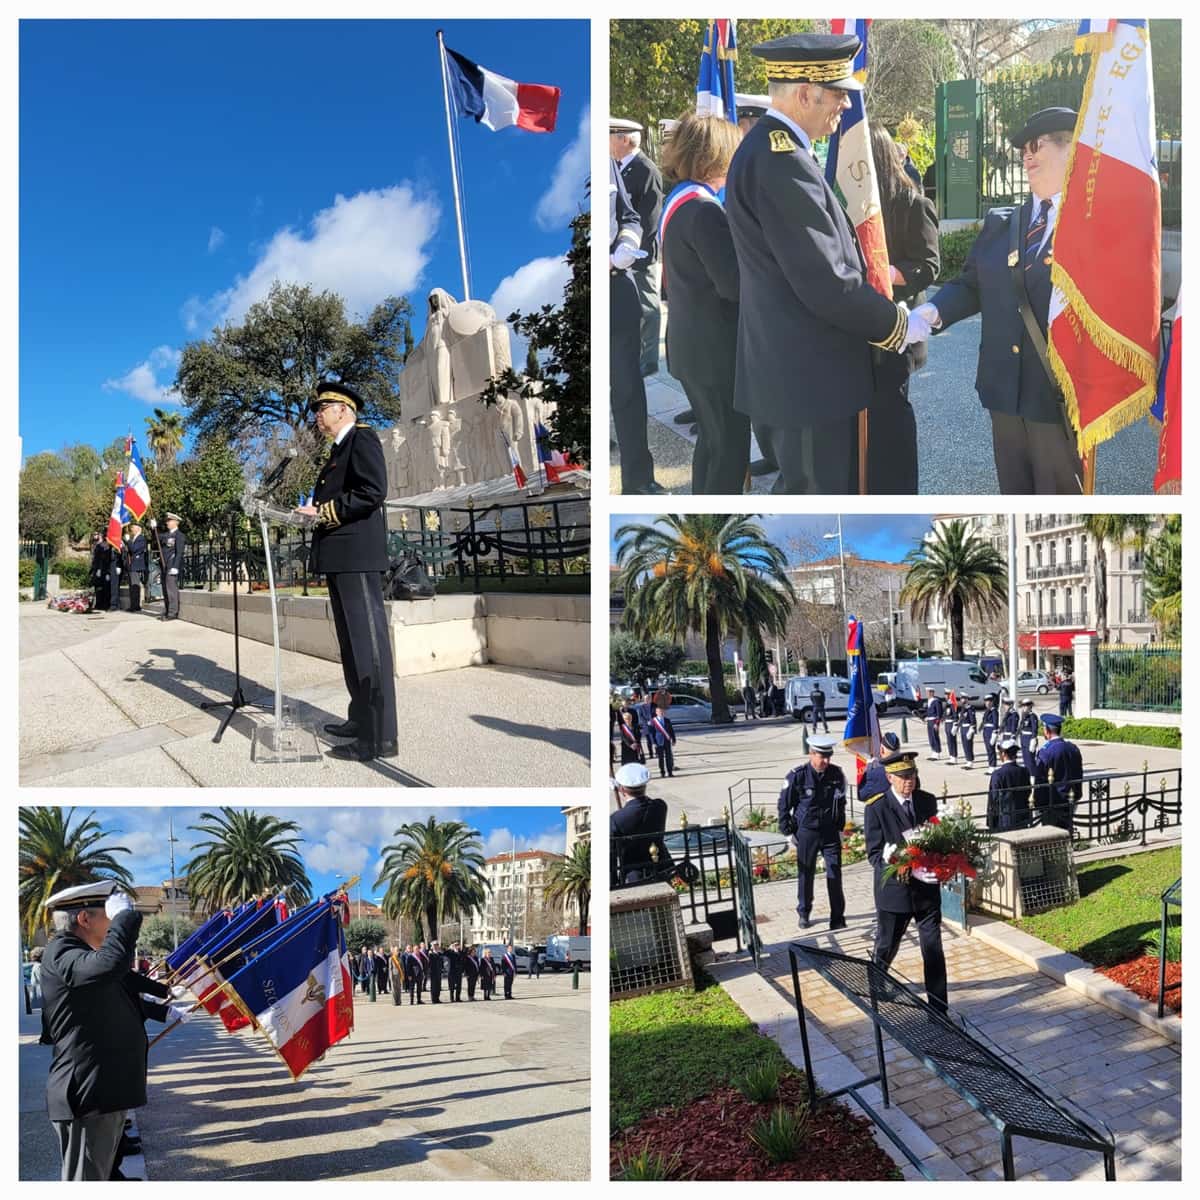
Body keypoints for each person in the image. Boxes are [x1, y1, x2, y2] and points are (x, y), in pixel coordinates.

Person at [723, 33, 929, 494]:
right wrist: (897, 323)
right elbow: (826, 280)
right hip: (809, 379)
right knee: (818, 491)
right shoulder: (782, 161)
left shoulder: (776, 152)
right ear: (803, 94)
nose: (844, 106)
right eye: (837, 94)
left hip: (796, 372)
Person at [916, 108, 1085, 494]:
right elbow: (972, 285)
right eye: (1023, 149)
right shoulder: (1003, 223)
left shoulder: (1089, 224)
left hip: (1056, 397)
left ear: (1070, 150)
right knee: (1015, 491)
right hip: (1004, 393)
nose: (1026, 156)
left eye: (1037, 146)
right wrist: (932, 311)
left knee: (1062, 497)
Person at [297, 381, 398, 761]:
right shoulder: (339, 448)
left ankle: (379, 737)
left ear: (343, 409)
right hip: (341, 557)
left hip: (357, 556)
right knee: (351, 645)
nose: (317, 415)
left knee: (368, 647)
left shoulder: (362, 439)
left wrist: (322, 512)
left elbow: (373, 491)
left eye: (323, 408)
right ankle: (360, 718)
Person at [39, 880, 159, 1180]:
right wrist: (126, 919)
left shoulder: (79, 954)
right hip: (88, 1095)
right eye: (108, 913)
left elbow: (119, 978)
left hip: (102, 1093)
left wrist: (164, 1001)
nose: (114, 918)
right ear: (84, 918)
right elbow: (110, 964)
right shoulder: (62, 952)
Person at [658, 112, 749, 494]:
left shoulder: (678, 202)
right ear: (715, 156)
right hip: (715, 352)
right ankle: (715, 533)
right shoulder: (705, 210)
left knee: (712, 444)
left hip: (690, 346)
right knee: (730, 451)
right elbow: (734, 285)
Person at [867, 124, 940, 493]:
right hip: (860, 326)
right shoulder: (850, 204)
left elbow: (928, 265)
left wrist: (882, 273)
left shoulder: (913, 203)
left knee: (891, 417)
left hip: (900, 326)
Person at [863, 751, 949, 1012]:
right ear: (890, 777)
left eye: (911, 775)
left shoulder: (927, 801)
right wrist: (895, 862)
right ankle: (877, 980)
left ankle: (938, 1007)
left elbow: (935, 839)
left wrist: (940, 864)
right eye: (902, 777)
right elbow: (874, 854)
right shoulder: (876, 807)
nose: (908, 781)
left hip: (926, 892)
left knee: (933, 949)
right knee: (888, 945)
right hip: (895, 893)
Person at [610, 156, 662, 495]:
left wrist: (626, 243)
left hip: (617, 286)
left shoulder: (607, 163)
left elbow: (628, 214)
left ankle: (638, 480)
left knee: (629, 391)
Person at [611, 118, 665, 378]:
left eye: (611, 135)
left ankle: (650, 358)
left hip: (639, 253)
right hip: (623, 254)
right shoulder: (621, 168)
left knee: (649, 307)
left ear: (624, 138)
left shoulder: (645, 169)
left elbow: (650, 217)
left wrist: (633, 252)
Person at [777, 735, 847, 931]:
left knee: (834, 873)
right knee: (806, 874)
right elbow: (784, 805)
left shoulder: (836, 774)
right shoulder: (797, 775)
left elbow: (841, 803)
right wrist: (788, 832)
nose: (825, 761)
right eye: (821, 756)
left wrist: (840, 827)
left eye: (828, 757)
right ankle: (804, 912)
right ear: (811, 754)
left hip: (830, 831)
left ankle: (837, 917)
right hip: (807, 832)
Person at [610, 762, 669, 884]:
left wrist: (613, 882)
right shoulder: (660, 806)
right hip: (662, 869)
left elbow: (611, 855)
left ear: (621, 789)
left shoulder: (616, 819)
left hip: (633, 875)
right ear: (645, 785)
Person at [1034, 712, 1083, 831]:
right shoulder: (1073, 748)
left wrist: (1037, 803)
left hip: (1052, 801)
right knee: (1067, 830)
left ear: (1047, 731)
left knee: (1051, 835)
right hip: (1071, 797)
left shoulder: (1046, 752)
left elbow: (1040, 779)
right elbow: (1079, 773)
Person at [987, 737, 1032, 831]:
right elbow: (1028, 791)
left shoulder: (998, 774)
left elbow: (994, 798)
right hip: (1022, 816)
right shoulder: (1024, 771)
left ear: (1003, 754)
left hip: (1005, 818)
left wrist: (991, 821)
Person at [161, 513, 185, 620]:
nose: (167, 522)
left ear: (176, 522)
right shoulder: (166, 535)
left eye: (169, 520)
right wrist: (153, 528)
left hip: (172, 564)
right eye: (167, 520)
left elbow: (179, 552)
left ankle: (172, 613)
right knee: (165, 589)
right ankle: (167, 610)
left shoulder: (179, 535)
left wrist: (176, 566)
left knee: (171, 589)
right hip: (164, 564)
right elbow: (155, 538)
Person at [124, 526, 148, 613]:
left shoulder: (141, 538)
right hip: (131, 565)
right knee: (131, 586)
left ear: (138, 529)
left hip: (136, 565)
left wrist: (128, 541)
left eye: (133, 528)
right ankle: (133, 605)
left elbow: (134, 549)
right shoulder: (134, 538)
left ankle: (136, 606)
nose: (131, 529)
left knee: (135, 586)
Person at [649, 704, 677, 778]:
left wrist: (673, 739)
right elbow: (652, 733)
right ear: (656, 712)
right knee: (661, 758)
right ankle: (662, 772)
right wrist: (654, 742)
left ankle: (670, 772)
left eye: (662, 711)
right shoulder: (653, 721)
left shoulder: (667, 720)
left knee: (669, 757)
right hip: (658, 741)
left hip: (667, 741)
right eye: (659, 711)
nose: (661, 712)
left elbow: (671, 731)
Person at [1018, 699, 1040, 777]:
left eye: (1026, 705)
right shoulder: (1024, 715)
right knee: (1025, 758)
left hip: (1029, 739)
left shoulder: (1032, 716)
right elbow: (1021, 727)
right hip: (1024, 739)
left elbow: (1034, 728)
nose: (1024, 707)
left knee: (1030, 759)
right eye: (1023, 705)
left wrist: (1034, 739)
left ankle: (1033, 775)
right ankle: (1027, 774)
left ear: (1030, 706)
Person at [90, 533, 111, 612]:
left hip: (104, 569)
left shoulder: (105, 546)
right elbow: (96, 559)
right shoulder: (99, 545)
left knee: (105, 588)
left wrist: (107, 571)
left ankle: (104, 604)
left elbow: (104, 559)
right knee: (98, 588)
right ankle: (99, 604)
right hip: (98, 569)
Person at [981, 693, 1000, 774]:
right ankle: (990, 765)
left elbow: (995, 722)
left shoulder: (994, 711)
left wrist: (995, 733)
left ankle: (993, 766)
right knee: (988, 749)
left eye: (989, 701)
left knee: (991, 749)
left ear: (992, 702)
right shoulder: (987, 711)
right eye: (986, 701)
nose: (987, 703)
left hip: (991, 731)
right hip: (986, 731)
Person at [924, 688, 943, 760]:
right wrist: (926, 717)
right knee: (931, 736)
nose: (927, 694)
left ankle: (937, 752)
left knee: (935, 736)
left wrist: (937, 723)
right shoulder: (929, 701)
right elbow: (928, 711)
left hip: (934, 721)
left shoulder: (936, 701)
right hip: (929, 720)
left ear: (932, 693)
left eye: (928, 692)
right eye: (927, 692)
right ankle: (933, 751)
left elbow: (939, 713)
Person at [959, 698, 977, 769]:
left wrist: (972, 729)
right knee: (964, 745)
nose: (962, 700)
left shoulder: (970, 708)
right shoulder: (963, 708)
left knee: (968, 745)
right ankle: (968, 760)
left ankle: (970, 761)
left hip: (968, 728)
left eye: (963, 699)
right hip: (963, 728)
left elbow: (973, 720)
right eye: (961, 699)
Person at [944, 692, 959, 764]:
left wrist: (955, 725)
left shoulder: (953, 705)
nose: (945, 696)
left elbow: (955, 715)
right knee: (949, 740)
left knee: (952, 741)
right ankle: (951, 756)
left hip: (951, 723)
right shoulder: (947, 704)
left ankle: (954, 756)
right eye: (945, 695)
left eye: (947, 695)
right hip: (947, 723)